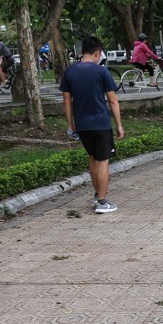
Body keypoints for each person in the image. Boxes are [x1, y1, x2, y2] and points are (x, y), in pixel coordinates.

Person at [60, 35, 125, 214]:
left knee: (92, 158)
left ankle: (97, 195)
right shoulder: (101, 71)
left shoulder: (70, 71)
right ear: (97, 53)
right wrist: (119, 124)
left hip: (82, 125)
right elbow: (112, 101)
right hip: (101, 123)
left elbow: (66, 101)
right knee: (103, 161)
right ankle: (102, 202)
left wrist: (70, 124)